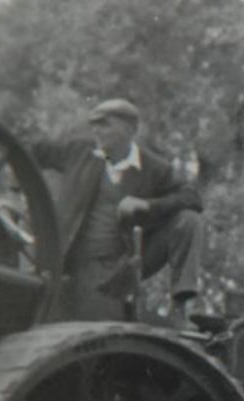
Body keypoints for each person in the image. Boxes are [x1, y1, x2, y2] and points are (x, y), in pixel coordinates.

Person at [34, 97, 206, 323]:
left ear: (130, 129)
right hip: (77, 263)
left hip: (122, 266)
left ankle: (180, 304)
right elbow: (29, 150)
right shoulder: (78, 152)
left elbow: (192, 197)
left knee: (188, 220)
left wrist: (146, 205)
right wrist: (15, 185)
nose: (96, 130)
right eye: (94, 124)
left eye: (105, 124)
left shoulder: (154, 167)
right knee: (90, 326)